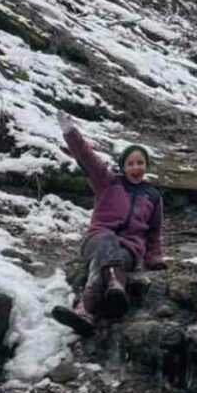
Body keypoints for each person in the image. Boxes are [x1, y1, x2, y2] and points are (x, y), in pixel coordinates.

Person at [51, 111, 166, 336]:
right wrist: (70, 132)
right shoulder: (107, 182)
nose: (136, 167)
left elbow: (154, 233)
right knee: (107, 241)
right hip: (97, 239)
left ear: (146, 166)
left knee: (112, 258)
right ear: (123, 166)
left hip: (128, 250)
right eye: (131, 163)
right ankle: (115, 286)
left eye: (140, 163)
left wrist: (153, 258)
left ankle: (85, 310)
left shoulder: (153, 196)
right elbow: (86, 157)